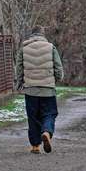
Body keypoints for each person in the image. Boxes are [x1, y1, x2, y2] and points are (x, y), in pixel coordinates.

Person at [16, 26, 64, 154]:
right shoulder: (50, 47)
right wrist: (57, 79)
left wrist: (19, 83)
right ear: (43, 35)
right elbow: (58, 67)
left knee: (33, 117)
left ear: (31, 35)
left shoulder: (24, 49)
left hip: (30, 89)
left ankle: (35, 146)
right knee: (49, 113)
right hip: (47, 89)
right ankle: (47, 132)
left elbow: (19, 68)